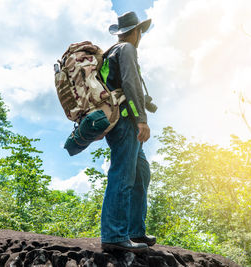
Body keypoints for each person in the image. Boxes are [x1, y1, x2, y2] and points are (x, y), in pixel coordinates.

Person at [100, 11, 156, 252]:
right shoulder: (126, 50)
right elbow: (130, 85)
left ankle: (135, 231)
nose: (140, 36)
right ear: (137, 32)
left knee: (141, 172)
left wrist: (145, 103)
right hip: (125, 122)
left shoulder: (112, 52)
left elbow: (120, 84)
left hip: (120, 119)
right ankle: (114, 236)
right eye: (140, 32)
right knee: (123, 174)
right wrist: (141, 119)